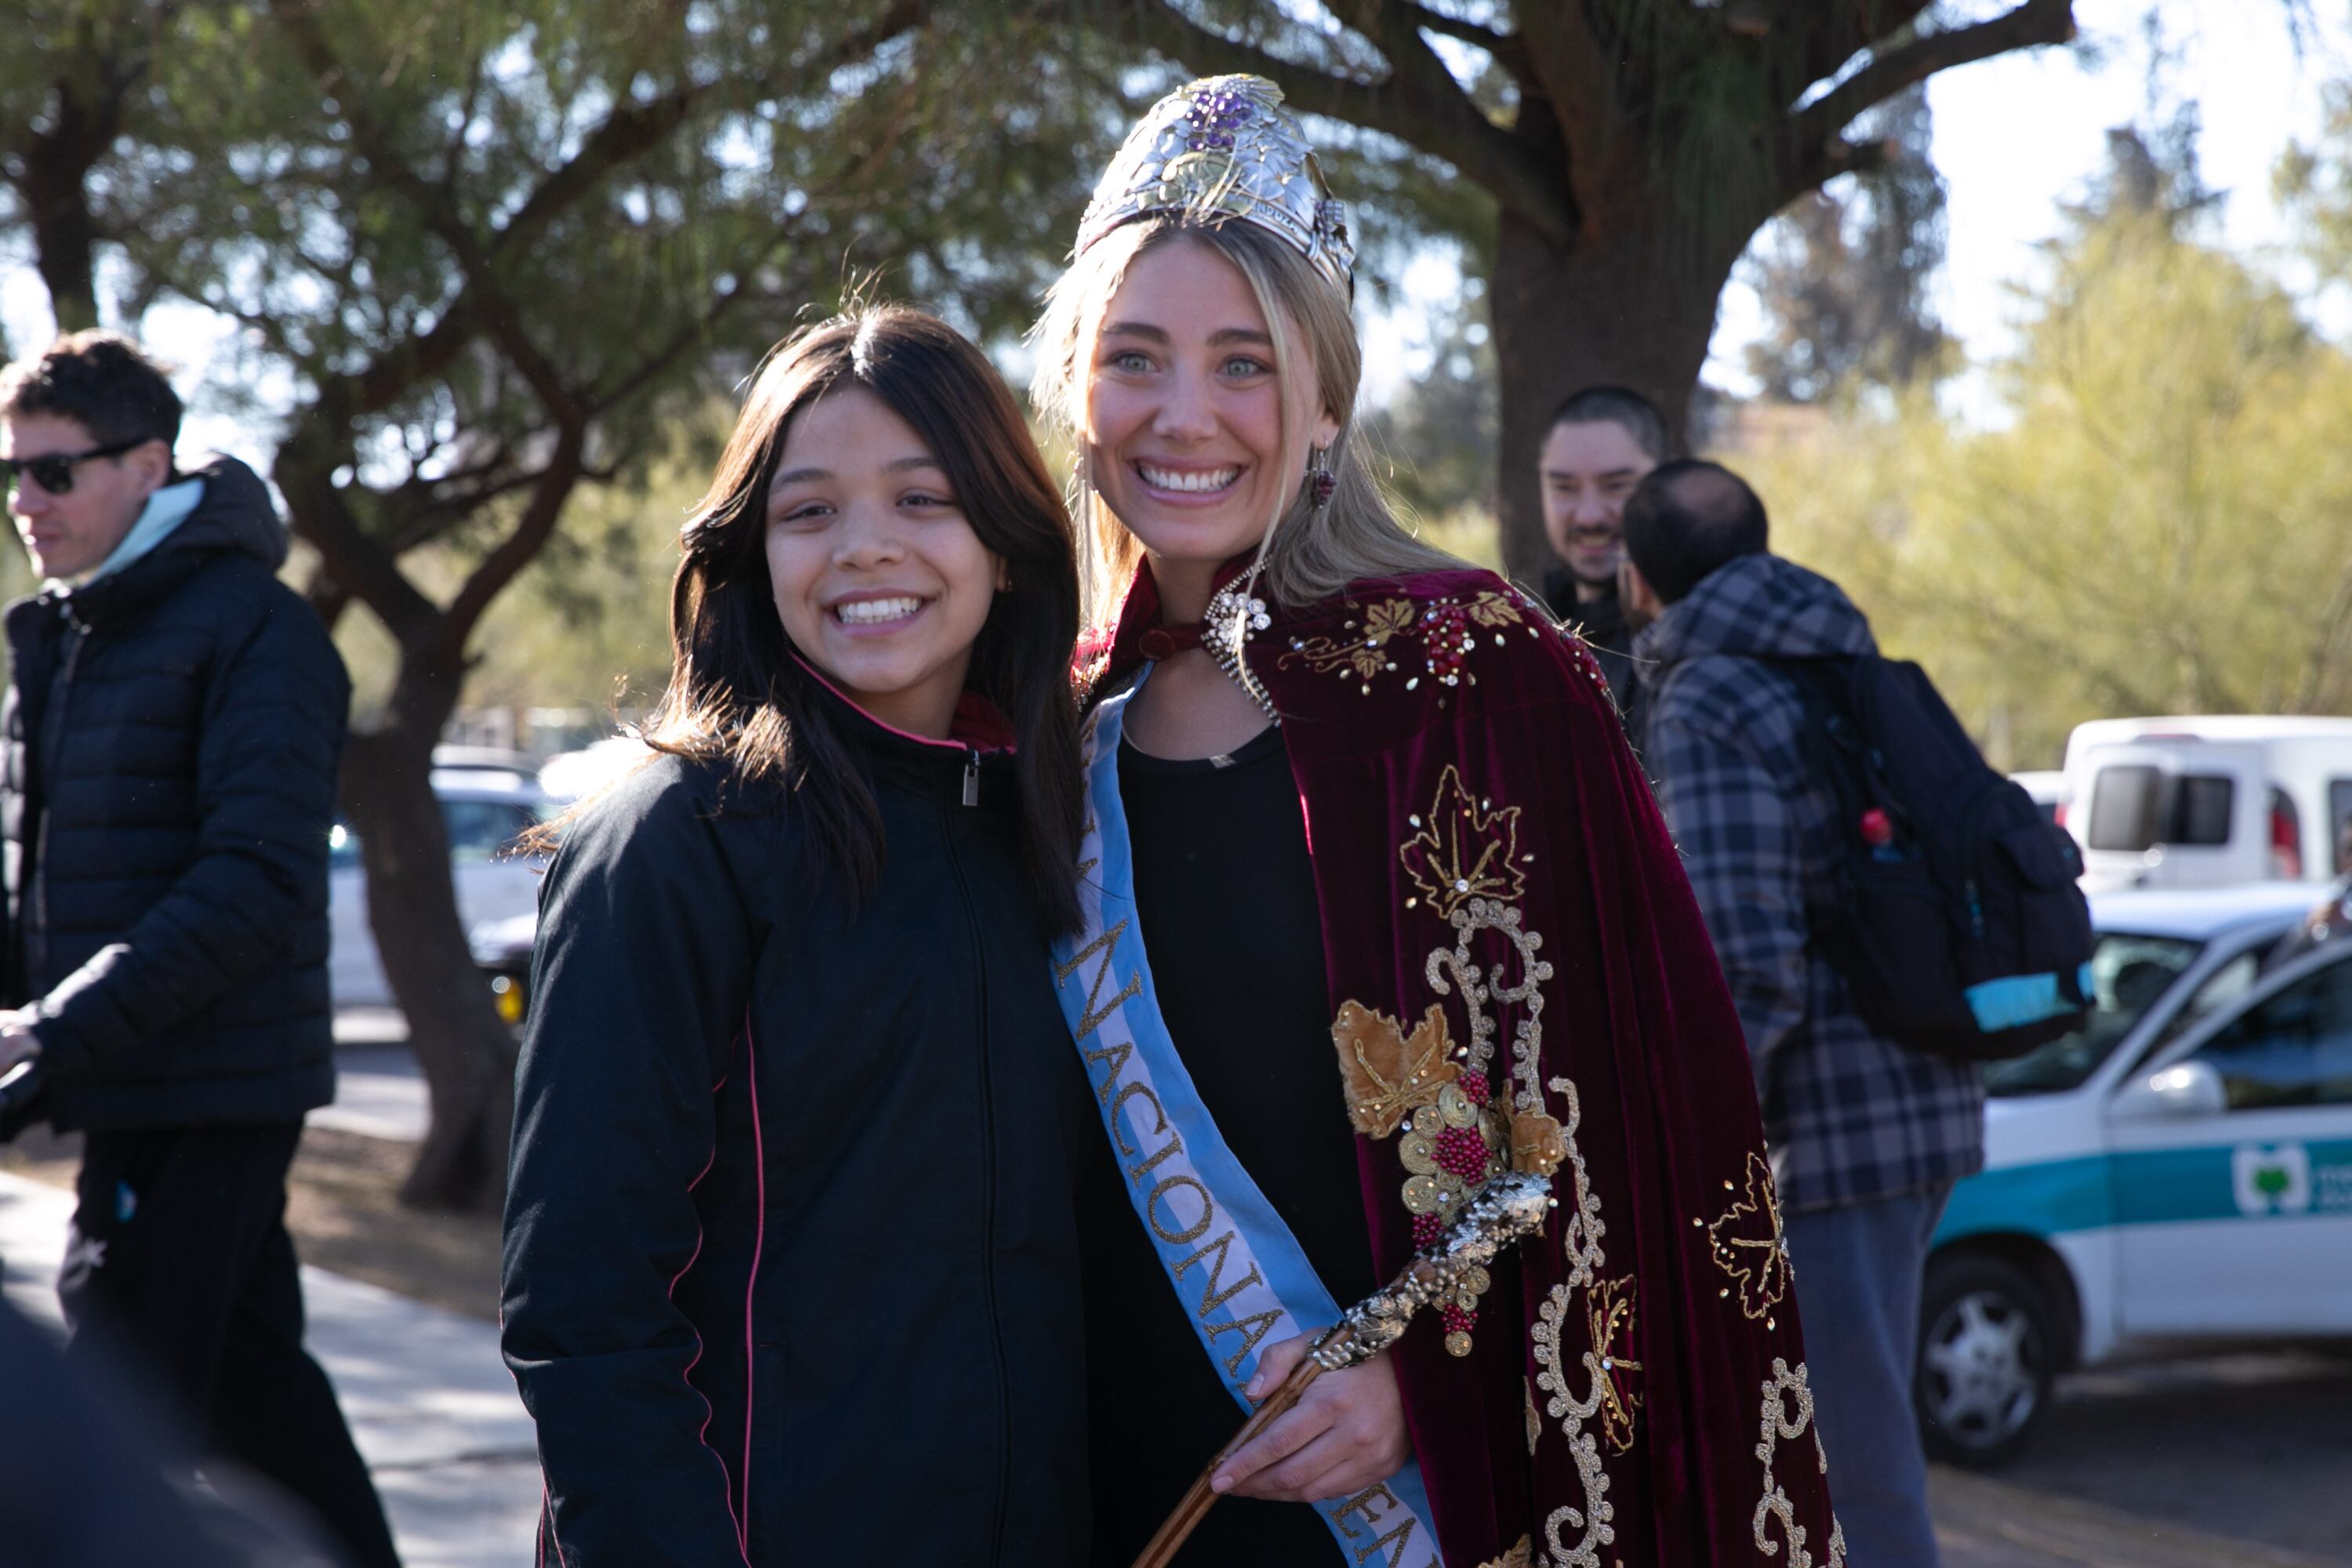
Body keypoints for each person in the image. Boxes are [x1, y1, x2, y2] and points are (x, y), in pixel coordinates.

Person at [1029, 75, 1838, 1568]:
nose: (1184, 414)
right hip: (1119, 1486)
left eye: (1243, 363)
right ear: (1079, 388)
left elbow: (1646, 1122)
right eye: (1134, 358)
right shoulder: (1048, 720)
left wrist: (1432, 1383)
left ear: (1326, 399)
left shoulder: (1479, 672)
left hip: (1428, 1506)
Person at [501, 306, 1097, 1566]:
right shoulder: (675, 834)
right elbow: (586, 1309)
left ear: (1007, 537)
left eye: (922, 501)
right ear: (752, 554)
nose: (865, 550)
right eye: (810, 511)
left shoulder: (1055, 822)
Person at [0, 332, 398, 1568]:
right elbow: (38, 868)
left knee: (112, 1384)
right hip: (121, 1075)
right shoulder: (66, 631)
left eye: (55, 474)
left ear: (149, 464)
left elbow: (257, 883)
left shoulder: (257, 631)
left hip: (212, 1086)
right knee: (250, 1389)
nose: (26, 503)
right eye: (11, 475)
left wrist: (52, 1030)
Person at [1624, 459, 1984, 1568]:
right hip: (1926, 1096)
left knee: (1847, 1474)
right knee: (1846, 1449)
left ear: (1639, 582)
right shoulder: (1841, 653)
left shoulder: (1711, 692)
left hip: (1828, 1138)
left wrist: (1692, 1139)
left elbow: (1743, 957)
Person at [1536, 386, 1666, 740]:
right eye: (1564, 487)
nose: (1590, 516)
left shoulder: (1692, 636)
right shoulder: (1527, 632)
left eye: (1616, 486)